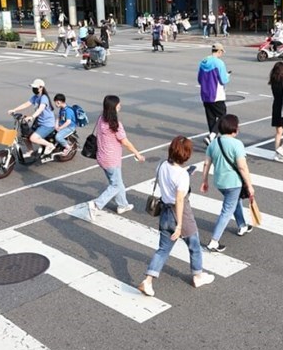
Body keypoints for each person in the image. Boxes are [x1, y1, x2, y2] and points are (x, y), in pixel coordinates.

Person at [137, 136, 215, 297]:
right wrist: (179, 225)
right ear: (186, 155)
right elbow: (179, 199)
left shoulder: (161, 165)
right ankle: (198, 276)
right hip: (180, 214)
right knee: (194, 245)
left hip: (164, 211)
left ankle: (148, 280)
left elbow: (167, 179)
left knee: (163, 250)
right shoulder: (182, 176)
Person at [200, 114, 255, 253]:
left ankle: (242, 225)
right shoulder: (237, 144)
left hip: (219, 182)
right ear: (234, 129)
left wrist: (204, 180)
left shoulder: (214, 143)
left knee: (234, 202)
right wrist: (249, 185)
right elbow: (242, 167)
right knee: (227, 210)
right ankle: (214, 241)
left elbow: (206, 163)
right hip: (233, 182)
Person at [88, 95, 145, 220]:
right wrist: (137, 154)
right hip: (111, 159)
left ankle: (122, 205)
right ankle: (96, 205)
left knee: (117, 182)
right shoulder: (115, 125)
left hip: (101, 156)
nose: (120, 106)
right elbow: (125, 142)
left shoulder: (101, 118)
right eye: (118, 104)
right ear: (113, 107)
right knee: (116, 185)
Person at [8, 79, 57, 157]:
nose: (33, 89)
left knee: (33, 138)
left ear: (41, 88)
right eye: (33, 87)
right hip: (39, 122)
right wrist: (14, 109)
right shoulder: (35, 97)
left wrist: (32, 117)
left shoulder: (44, 98)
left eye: (35, 87)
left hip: (47, 124)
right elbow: (26, 104)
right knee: (25, 135)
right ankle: (30, 151)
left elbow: (41, 108)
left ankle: (49, 145)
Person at [198, 43, 231, 147]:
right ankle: (211, 136)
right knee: (223, 116)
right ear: (219, 51)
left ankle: (212, 140)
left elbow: (199, 79)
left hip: (205, 94)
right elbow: (223, 80)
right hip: (216, 94)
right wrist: (228, 75)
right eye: (222, 52)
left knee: (211, 117)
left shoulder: (203, 61)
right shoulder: (219, 63)